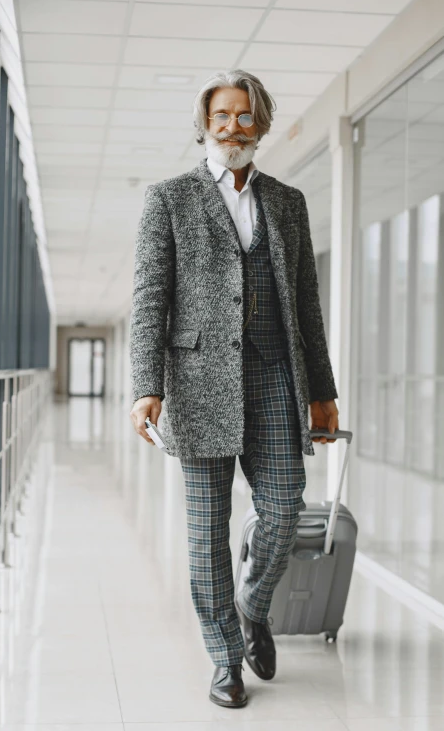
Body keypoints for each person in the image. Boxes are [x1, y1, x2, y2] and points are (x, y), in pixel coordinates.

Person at [129, 69, 339, 708]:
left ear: (262, 124)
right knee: (204, 534)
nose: (232, 127)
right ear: (205, 123)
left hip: (277, 373)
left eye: (245, 116)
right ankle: (224, 660)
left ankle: (253, 604)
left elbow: (306, 302)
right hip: (198, 384)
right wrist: (146, 385)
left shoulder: (287, 201)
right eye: (221, 115)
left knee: (282, 511)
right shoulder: (170, 199)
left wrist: (322, 390)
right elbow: (149, 299)